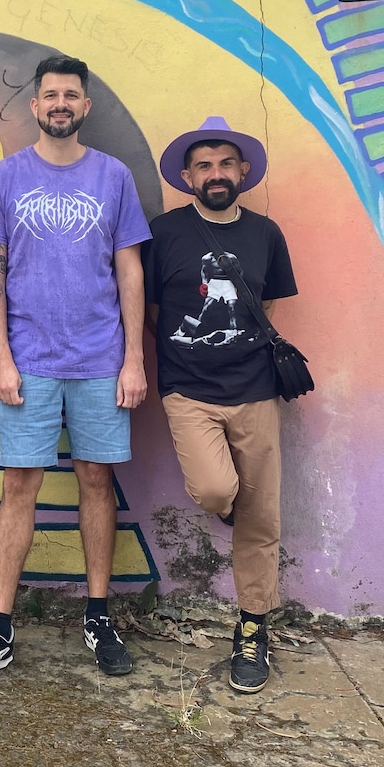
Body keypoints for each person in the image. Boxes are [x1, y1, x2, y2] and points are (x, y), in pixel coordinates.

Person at [0, 55, 152, 690]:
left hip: (100, 359)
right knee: (19, 486)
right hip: (29, 361)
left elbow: (129, 270)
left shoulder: (113, 176)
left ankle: (98, 617)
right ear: (35, 106)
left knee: (97, 481)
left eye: (71, 94)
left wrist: (134, 359)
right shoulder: (5, 177)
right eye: (50, 95)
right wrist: (1, 359)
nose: (61, 103)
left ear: (85, 105)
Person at [146, 115, 298, 693]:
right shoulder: (164, 233)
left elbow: (269, 304)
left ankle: (253, 628)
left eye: (226, 164)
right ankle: (230, 502)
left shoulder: (266, 234)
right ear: (187, 176)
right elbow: (150, 307)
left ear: (243, 172)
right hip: (187, 388)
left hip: (255, 389)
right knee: (215, 491)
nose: (216, 174)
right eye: (204, 165)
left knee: (261, 519)